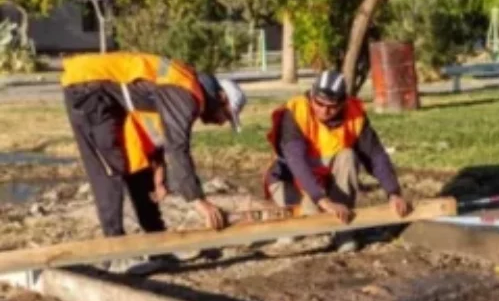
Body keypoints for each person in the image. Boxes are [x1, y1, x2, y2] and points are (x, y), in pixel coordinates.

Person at [61, 52, 246, 261]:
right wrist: (198, 201)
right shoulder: (185, 93)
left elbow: (157, 133)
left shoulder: (184, 90)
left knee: (137, 162)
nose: (222, 122)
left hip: (108, 98)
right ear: (220, 98)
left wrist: (158, 169)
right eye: (226, 115)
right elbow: (178, 148)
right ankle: (114, 257)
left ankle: (158, 246)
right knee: (109, 169)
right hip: (87, 87)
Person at [264, 69, 411, 252]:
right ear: (311, 95)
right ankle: (300, 221)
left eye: (332, 106)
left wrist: (393, 192)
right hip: (291, 184)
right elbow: (297, 162)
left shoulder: (354, 116)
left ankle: (342, 230)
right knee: (291, 233)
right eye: (319, 103)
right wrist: (323, 201)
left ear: (343, 103)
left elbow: (375, 155)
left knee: (348, 155)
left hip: (324, 188)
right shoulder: (295, 113)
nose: (325, 111)